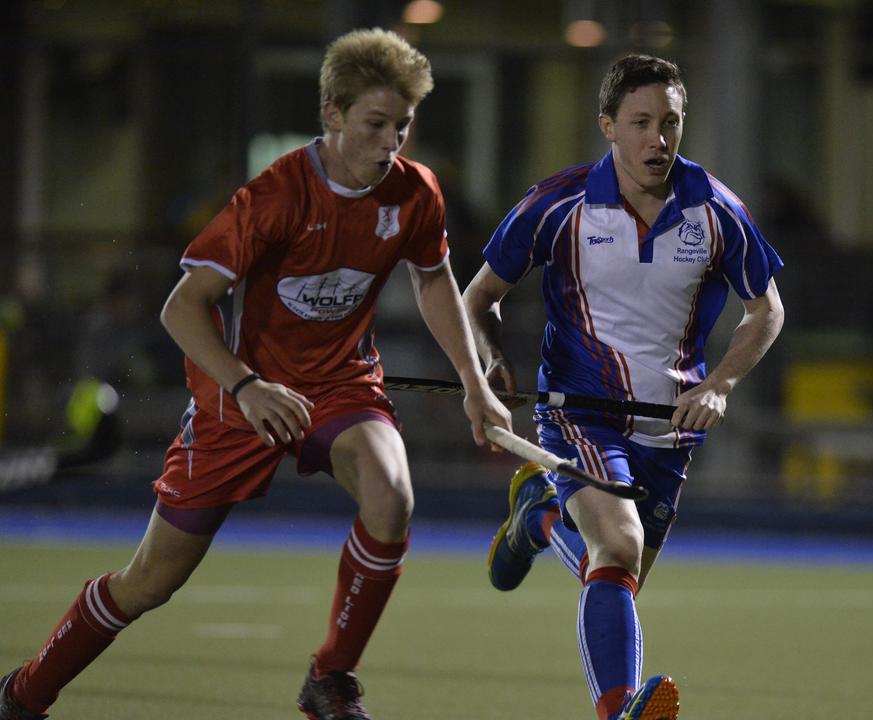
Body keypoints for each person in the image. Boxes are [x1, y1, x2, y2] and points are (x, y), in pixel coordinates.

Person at [0, 28, 510, 720]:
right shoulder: (275, 196)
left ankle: (330, 676)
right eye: (375, 124)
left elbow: (432, 279)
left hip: (340, 386)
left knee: (391, 498)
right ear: (331, 113)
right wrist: (245, 385)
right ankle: (25, 693)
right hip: (238, 399)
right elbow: (182, 309)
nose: (390, 143)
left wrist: (474, 386)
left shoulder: (415, 193)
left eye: (403, 126)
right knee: (149, 583)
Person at [463, 54, 784, 720]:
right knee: (618, 547)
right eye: (641, 122)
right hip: (580, 412)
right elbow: (478, 298)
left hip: (671, 429)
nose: (657, 139)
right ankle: (617, 714)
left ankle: (539, 518)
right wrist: (490, 356)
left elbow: (767, 310)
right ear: (607, 125)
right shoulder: (559, 203)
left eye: (670, 122)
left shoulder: (718, 211)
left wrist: (721, 384)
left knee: (614, 573)